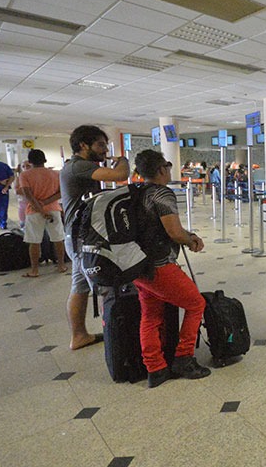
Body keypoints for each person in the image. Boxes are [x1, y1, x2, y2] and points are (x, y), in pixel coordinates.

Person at [132, 150, 210, 388]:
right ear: (161, 169)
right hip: (159, 266)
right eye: (167, 166)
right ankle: (183, 358)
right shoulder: (161, 193)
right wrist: (191, 239)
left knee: (150, 316)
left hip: (137, 267)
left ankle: (155, 368)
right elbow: (174, 232)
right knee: (196, 304)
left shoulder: (136, 192)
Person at [60, 125, 129, 350]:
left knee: (79, 287)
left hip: (77, 236)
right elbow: (121, 175)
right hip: (81, 239)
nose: (104, 150)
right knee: (103, 286)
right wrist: (122, 159)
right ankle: (116, 338)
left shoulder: (73, 167)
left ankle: (79, 336)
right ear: (83, 145)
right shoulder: (79, 166)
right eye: (100, 145)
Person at [19, 149, 67, 277]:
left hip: (33, 211)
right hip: (54, 209)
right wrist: (46, 203)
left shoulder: (25, 175)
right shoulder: (56, 174)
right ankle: (61, 265)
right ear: (45, 160)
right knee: (58, 238)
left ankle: (35, 270)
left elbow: (27, 195)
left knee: (34, 241)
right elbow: (61, 192)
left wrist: (40, 208)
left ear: (30, 162)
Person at [14, 159, 32, 229]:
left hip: (34, 206)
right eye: (23, 166)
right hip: (23, 206)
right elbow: (17, 191)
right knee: (23, 225)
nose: (26, 168)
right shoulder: (19, 178)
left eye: (28, 166)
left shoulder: (35, 177)